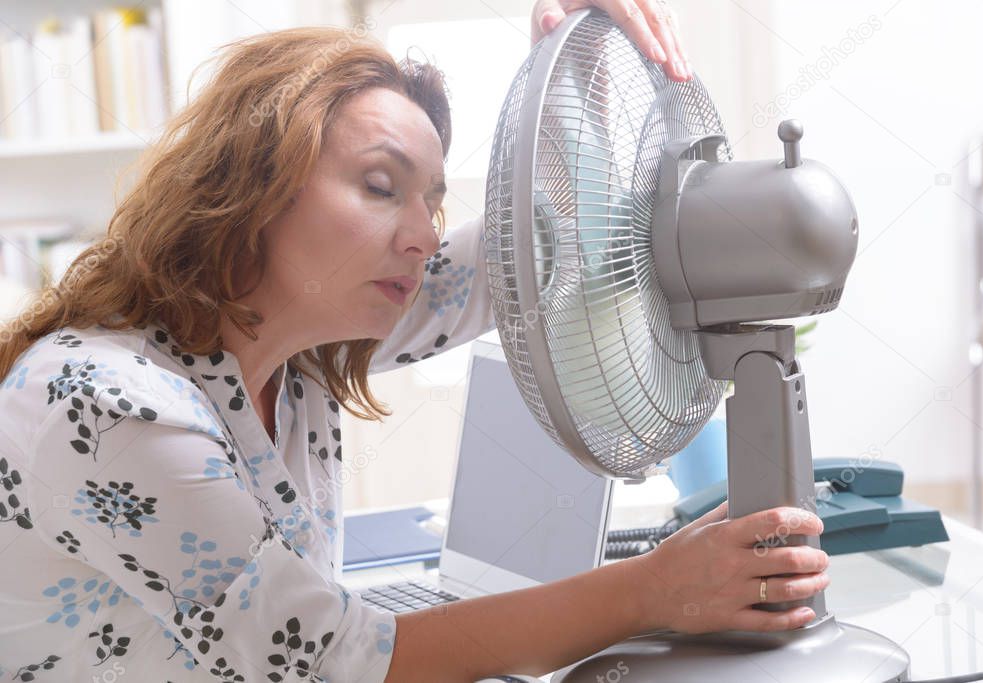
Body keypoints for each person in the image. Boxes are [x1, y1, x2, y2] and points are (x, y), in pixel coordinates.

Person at [0, 2, 829, 681]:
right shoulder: (104, 403)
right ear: (250, 183)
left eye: (430, 202)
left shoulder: (299, 353)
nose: (423, 238)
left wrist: (573, 71)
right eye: (379, 185)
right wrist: (653, 590)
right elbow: (334, 660)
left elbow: (529, 248)